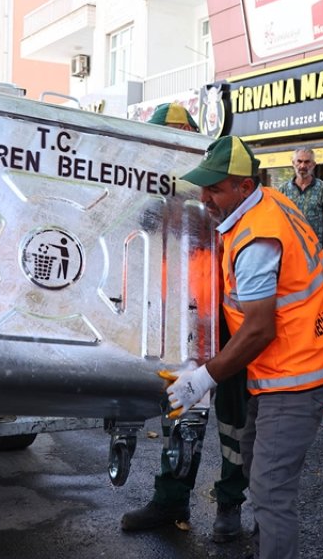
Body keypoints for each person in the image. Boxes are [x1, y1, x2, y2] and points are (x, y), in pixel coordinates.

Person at [165, 135, 323, 559]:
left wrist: (201, 379)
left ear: (243, 186)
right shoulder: (269, 200)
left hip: (297, 373)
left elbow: (258, 330)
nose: (205, 197)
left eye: (215, 188)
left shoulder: (256, 239)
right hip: (304, 358)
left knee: (271, 490)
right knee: (257, 465)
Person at [121, 109, 247, 544]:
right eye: (165, 139)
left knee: (234, 419)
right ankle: (171, 498)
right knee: (181, 412)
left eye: (182, 139)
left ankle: (230, 505)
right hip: (181, 321)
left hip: (229, 323)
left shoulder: (215, 194)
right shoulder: (152, 198)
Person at [277, 147, 323, 255]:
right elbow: (279, 221)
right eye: (299, 161)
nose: (303, 166)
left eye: (307, 162)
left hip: (315, 252)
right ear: (293, 163)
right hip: (290, 250)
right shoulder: (283, 189)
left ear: (313, 165)